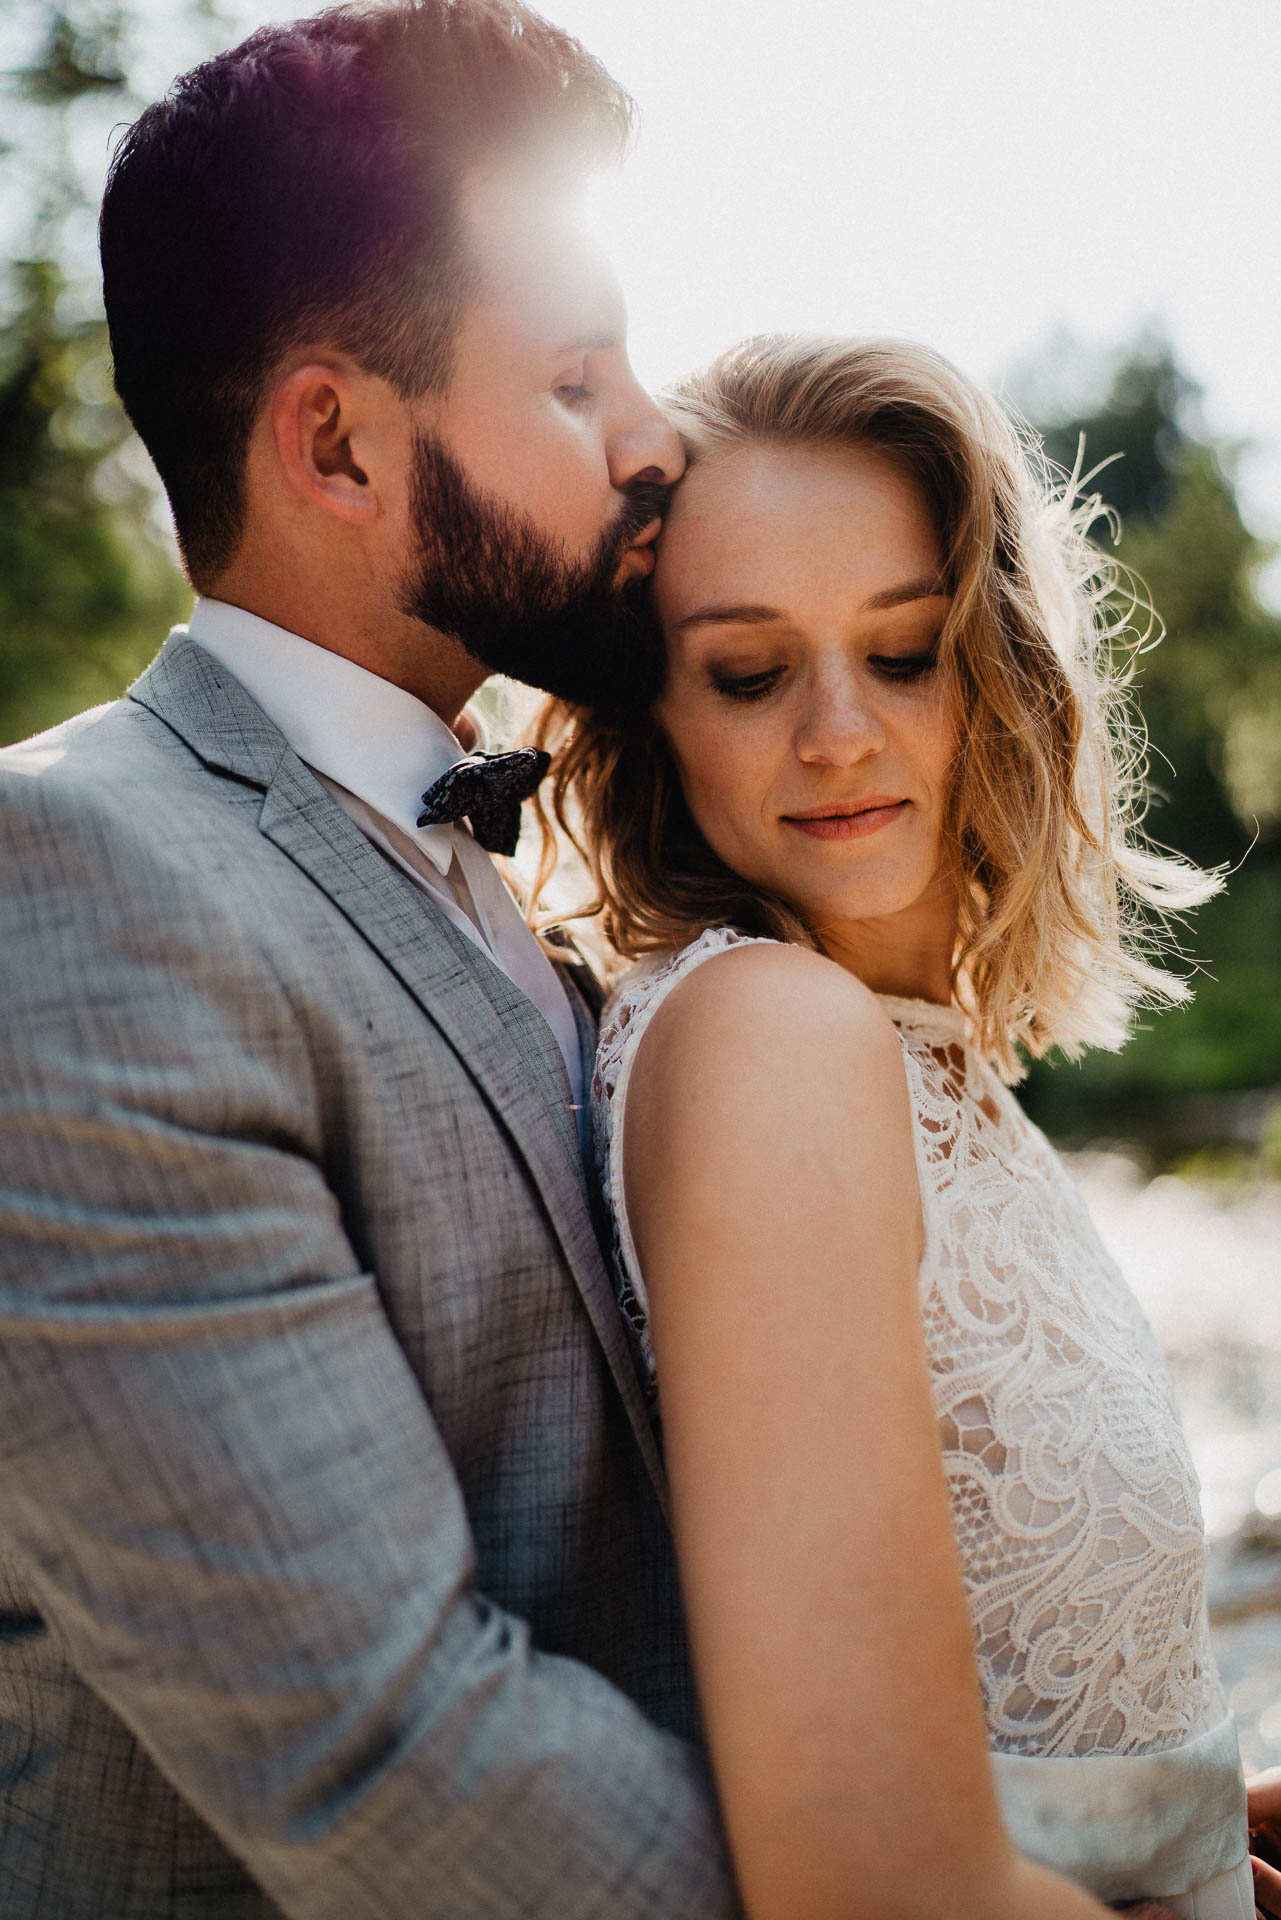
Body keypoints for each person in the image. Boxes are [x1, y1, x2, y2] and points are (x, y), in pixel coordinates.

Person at [0, 4, 745, 1914]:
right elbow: (385, 1754)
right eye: (576, 380)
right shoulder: (68, 878)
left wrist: (1092, 1813)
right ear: (334, 441)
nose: (660, 438)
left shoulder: (523, 863)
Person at [534, 334, 1253, 1919]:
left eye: (907, 650)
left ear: (997, 664)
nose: (841, 732)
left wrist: (1201, 1818)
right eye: (747, 669)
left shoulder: (910, 1056)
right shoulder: (765, 1037)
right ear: (649, 712)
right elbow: (868, 1874)